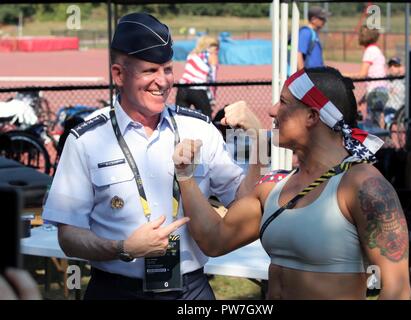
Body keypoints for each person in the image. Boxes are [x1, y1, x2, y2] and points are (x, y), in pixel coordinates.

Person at [42, 12, 263, 300]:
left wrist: (258, 142)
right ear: (119, 74)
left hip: (190, 289)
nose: (162, 82)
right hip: (116, 289)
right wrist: (123, 248)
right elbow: (68, 236)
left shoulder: (199, 128)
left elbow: (245, 202)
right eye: (149, 71)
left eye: (168, 69)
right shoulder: (86, 140)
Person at [173, 67, 411, 300]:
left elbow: (398, 291)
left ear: (312, 116)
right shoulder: (275, 186)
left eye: (284, 102)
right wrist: (185, 176)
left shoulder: (363, 185)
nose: (272, 111)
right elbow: (214, 240)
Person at [176, 35, 219, 118]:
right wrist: (212, 98)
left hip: (182, 88)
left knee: (180, 118)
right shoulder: (212, 56)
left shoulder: (192, 54)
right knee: (207, 118)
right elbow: (212, 79)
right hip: (198, 89)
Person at [296, 6, 330, 70]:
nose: (325, 21)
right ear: (313, 19)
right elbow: (298, 54)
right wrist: (303, 76)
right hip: (309, 75)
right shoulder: (306, 32)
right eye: (322, 18)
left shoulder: (313, 33)